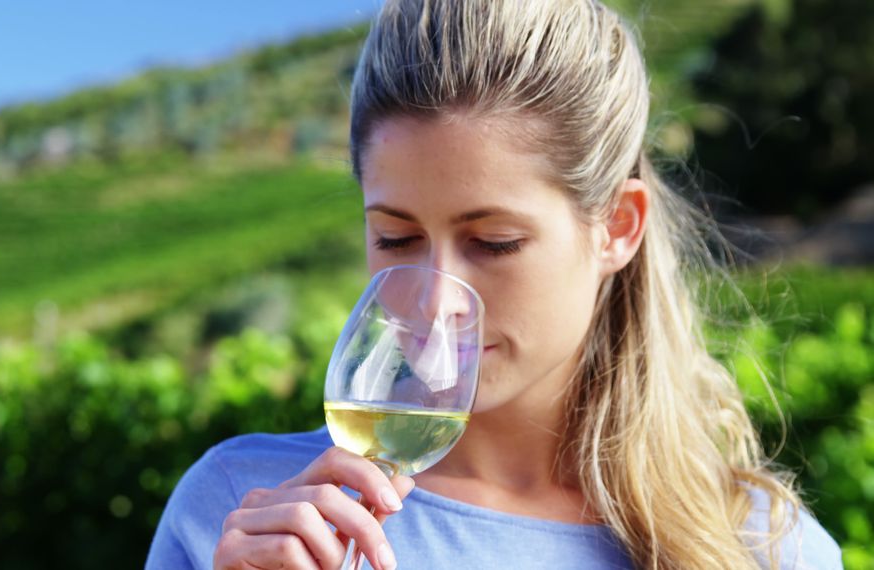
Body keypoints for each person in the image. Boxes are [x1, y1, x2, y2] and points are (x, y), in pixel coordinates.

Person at [145, 0, 843, 568]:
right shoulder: (243, 513)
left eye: (494, 242)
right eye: (396, 237)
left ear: (618, 229)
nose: (434, 299)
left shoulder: (763, 550)